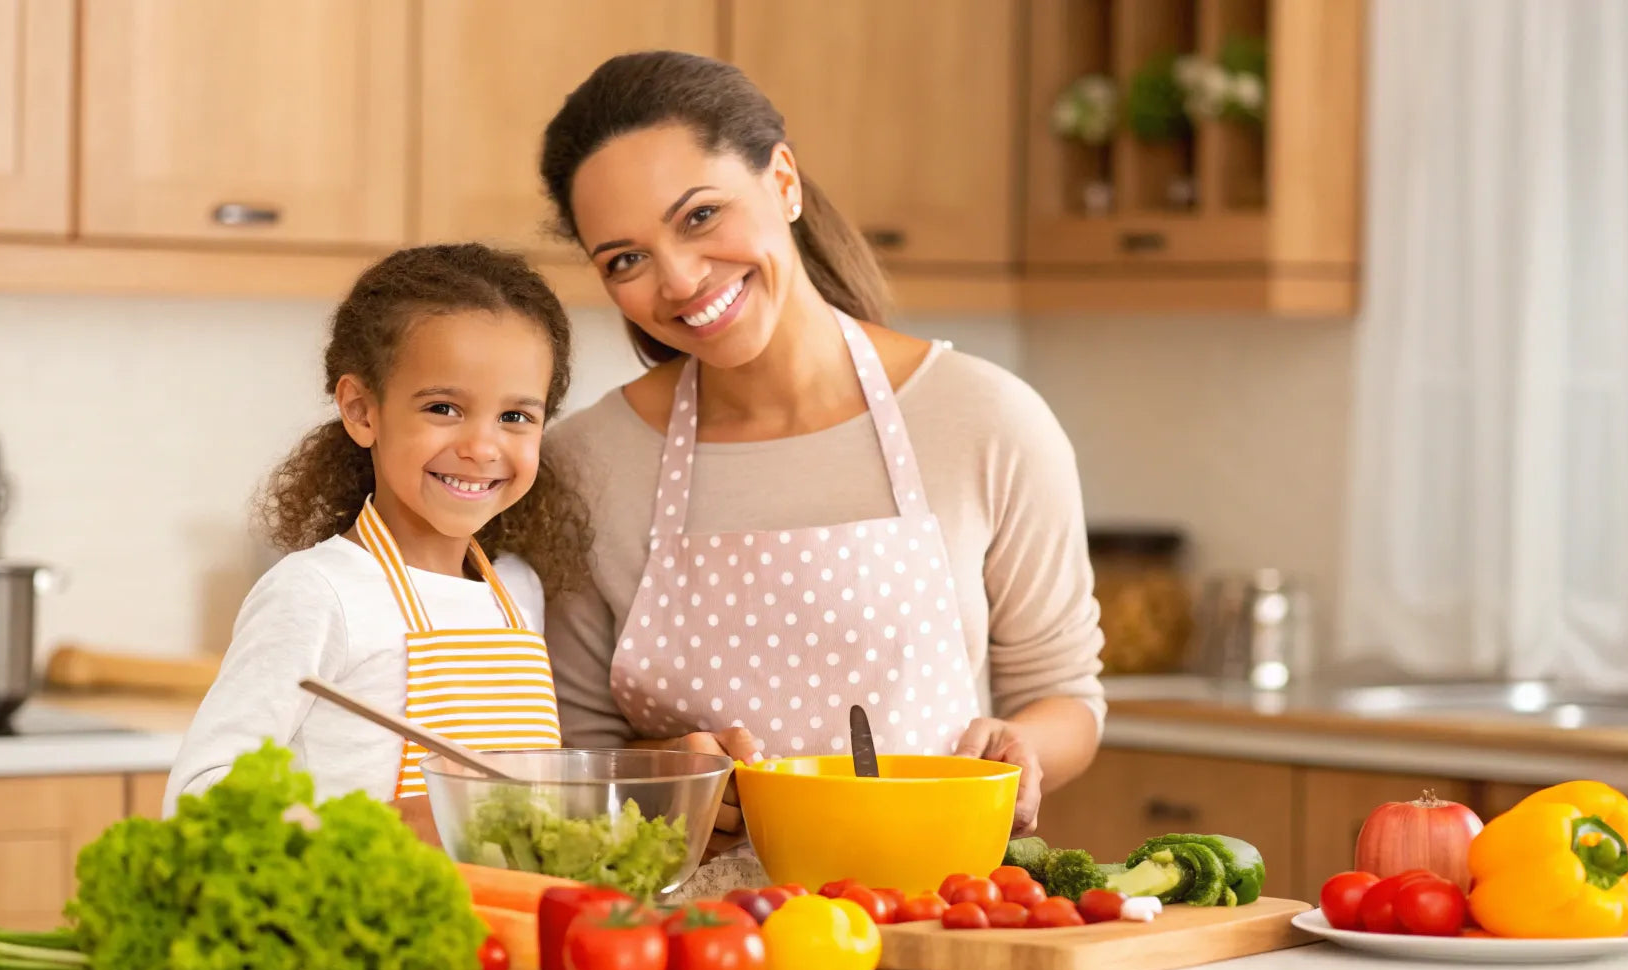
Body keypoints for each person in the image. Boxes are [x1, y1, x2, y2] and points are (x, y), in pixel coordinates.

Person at [537, 51, 1106, 853]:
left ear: (783, 182)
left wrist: (1022, 748)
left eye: (700, 216)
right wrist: (662, 770)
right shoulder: (584, 463)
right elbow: (573, 749)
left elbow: (1065, 696)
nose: (681, 280)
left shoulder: (984, 420)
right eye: (626, 259)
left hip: (931, 907)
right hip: (688, 923)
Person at [163, 244, 590, 842]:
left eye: (515, 417)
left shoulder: (518, 591)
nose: (482, 447)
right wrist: (391, 826)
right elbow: (197, 797)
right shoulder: (317, 593)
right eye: (444, 408)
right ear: (362, 411)